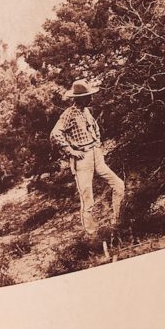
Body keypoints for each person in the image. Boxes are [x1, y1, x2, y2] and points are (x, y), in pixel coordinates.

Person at [50, 79, 125, 235]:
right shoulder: (68, 114)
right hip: (82, 159)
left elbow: (95, 129)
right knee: (87, 199)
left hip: (95, 155)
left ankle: (117, 222)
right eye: (87, 96)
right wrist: (71, 151)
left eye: (90, 95)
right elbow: (55, 134)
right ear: (79, 98)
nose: (90, 98)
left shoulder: (87, 112)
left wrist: (97, 144)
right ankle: (91, 235)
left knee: (118, 184)